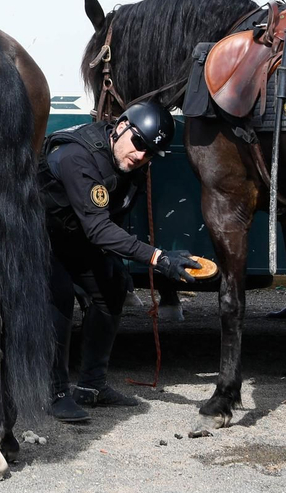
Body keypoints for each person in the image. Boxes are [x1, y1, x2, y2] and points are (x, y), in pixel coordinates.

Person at [39, 101, 202, 423]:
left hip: (76, 237)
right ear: (122, 127)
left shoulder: (132, 164)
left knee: (112, 286)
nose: (142, 156)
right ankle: (54, 393)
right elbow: (99, 228)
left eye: (150, 153)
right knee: (57, 299)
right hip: (37, 236)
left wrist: (168, 257)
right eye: (139, 143)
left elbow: (109, 219)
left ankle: (92, 386)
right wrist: (157, 257)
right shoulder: (78, 157)